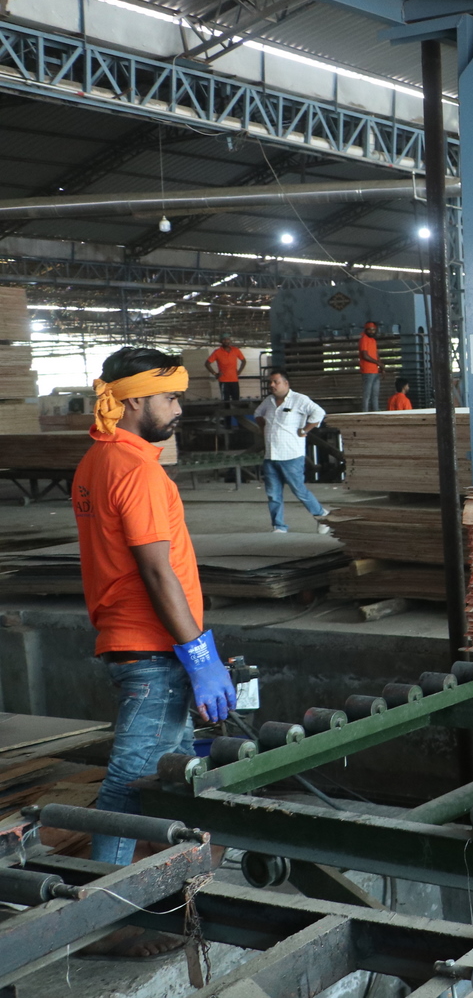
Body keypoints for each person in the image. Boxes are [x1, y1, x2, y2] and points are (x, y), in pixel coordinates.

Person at [72, 347, 236, 958]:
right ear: (136, 398)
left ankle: (163, 892)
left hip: (136, 643)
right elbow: (156, 572)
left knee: (166, 778)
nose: (179, 409)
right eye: (170, 398)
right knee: (127, 782)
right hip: (154, 650)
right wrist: (199, 656)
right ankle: (101, 918)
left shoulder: (98, 459)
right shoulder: (137, 470)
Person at [253, 369, 331, 534]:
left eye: (276, 382)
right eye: (270, 382)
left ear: (286, 383)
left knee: (298, 490)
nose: (272, 385)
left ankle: (322, 516)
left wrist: (305, 430)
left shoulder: (299, 399)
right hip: (271, 455)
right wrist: (263, 428)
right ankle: (279, 526)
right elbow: (258, 413)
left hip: (291, 455)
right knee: (273, 494)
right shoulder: (269, 401)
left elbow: (319, 412)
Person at [204, 334, 247, 401]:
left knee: (236, 399)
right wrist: (215, 374)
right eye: (224, 340)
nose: (226, 341)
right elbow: (207, 364)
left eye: (227, 339)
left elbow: (243, 361)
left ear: (230, 340)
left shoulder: (236, 350)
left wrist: (239, 371)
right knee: (225, 400)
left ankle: (235, 411)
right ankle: (226, 411)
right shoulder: (217, 352)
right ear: (221, 341)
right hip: (223, 380)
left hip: (234, 379)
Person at [358, 321, 382, 412]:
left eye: (373, 330)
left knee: (375, 394)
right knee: (367, 394)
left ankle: (376, 411)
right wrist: (378, 363)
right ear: (366, 330)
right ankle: (365, 412)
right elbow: (365, 355)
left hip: (375, 370)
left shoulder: (373, 340)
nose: (372, 331)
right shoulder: (364, 339)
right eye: (370, 330)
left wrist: (381, 365)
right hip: (367, 370)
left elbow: (376, 354)